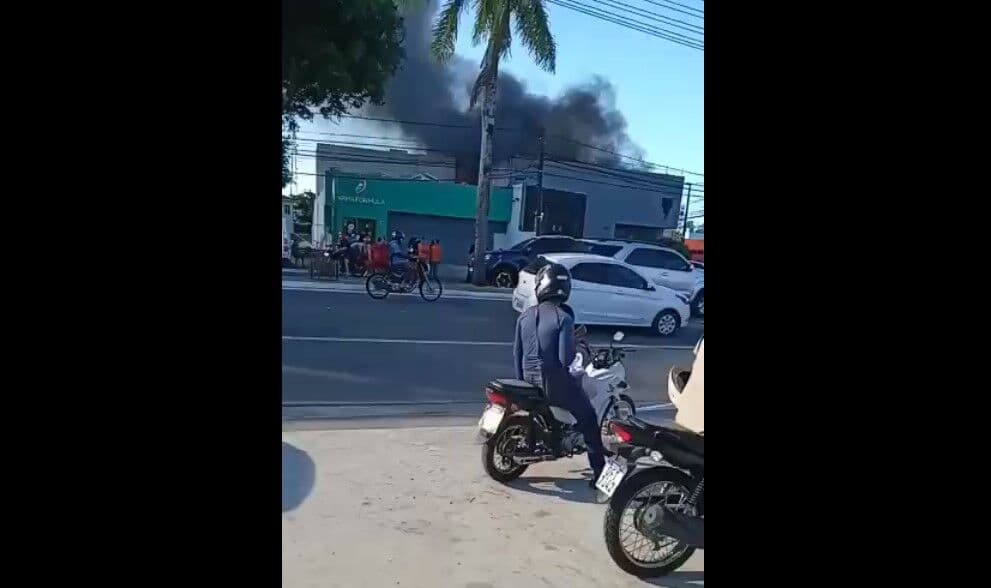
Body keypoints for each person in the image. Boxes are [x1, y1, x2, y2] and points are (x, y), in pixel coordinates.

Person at [513, 263, 606, 485]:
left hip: (527, 381)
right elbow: (566, 359)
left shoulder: (524, 316)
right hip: (553, 385)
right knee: (589, 418)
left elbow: (517, 354)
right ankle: (599, 473)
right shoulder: (564, 318)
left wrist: (522, 382)